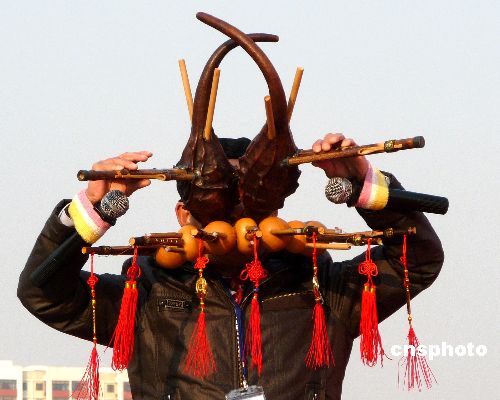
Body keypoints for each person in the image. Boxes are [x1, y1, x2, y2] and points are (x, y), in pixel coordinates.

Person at [18, 133, 443, 400]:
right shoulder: (145, 293)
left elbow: (418, 262)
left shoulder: (323, 288)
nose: (237, 220)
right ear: (183, 215)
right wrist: (95, 209)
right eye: (219, 204)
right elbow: (43, 293)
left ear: (275, 212)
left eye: (252, 205)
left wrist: (364, 188)